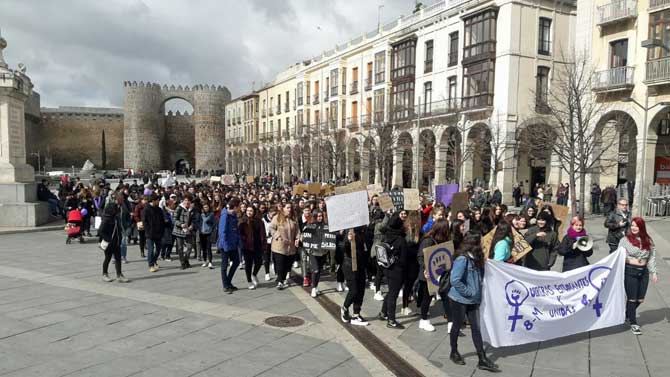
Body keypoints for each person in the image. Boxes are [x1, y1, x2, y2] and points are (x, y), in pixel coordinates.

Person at [447, 231, 499, 372]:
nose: (483, 245)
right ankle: (454, 352)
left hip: (473, 300)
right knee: (457, 326)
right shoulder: (462, 259)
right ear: (474, 244)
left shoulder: (476, 258)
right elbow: (455, 280)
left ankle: (481, 358)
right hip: (459, 299)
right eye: (480, 242)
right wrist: (469, 292)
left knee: (476, 328)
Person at [617, 217, 658, 335]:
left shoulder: (648, 240)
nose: (634, 228)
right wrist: (630, 260)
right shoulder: (625, 240)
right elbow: (619, 256)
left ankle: (626, 315)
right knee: (632, 298)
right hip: (630, 272)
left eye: (637, 226)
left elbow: (651, 257)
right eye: (632, 225)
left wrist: (653, 273)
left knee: (640, 299)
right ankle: (633, 323)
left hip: (643, 272)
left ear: (642, 227)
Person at [416, 218, 450, 332]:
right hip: (427, 275)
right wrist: (426, 269)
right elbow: (420, 256)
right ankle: (423, 320)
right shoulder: (428, 241)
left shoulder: (441, 240)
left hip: (438, 273)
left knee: (437, 296)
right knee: (427, 297)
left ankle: (449, 321)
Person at [377, 212, 407, 329]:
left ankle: (383, 312)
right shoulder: (401, 240)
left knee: (390, 292)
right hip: (397, 271)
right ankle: (391, 320)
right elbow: (404, 259)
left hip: (387, 268)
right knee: (393, 295)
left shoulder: (387, 235)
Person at [340, 227, 370, 326]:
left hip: (361, 265)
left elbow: (365, 248)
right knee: (354, 290)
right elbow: (344, 247)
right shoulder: (349, 231)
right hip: (350, 265)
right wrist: (348, 241)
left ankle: (356, 314)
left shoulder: (362, 232)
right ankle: (344, 308)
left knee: (361, 290)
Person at [98, 193, 130, 283]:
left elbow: (118, 228)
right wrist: (108, 239)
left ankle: (119, 275)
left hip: (117, 241)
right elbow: (100, 231)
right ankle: (104, 274)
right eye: (115, 210)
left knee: (118, 258)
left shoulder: (115, 218)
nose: (117, 211)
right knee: (107, 258)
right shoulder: (106, 220)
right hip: (109, 243)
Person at [270, 202, 300, 290]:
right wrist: (277, 236)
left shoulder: (294, 218)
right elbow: (271, 228)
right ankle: (280, 281)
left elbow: (297, 230)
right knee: (280, 264)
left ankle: (281, 278)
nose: (289, 209)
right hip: (279, 245)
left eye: (290, 208)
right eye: (287, 208)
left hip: (290, 247)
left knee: (287, 264)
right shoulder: (277, 217)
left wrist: (298, 238)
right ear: (283, 208)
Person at [239, 205, 266, 289]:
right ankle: (249, 281)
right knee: (248, 264)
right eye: (247, 211)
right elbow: (240, 234)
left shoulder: (259, 221)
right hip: (247, 246)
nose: (249, 212)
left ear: (254, 212)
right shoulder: (242, 221)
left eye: (251, 211)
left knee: (259, 262)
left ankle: (254, 274)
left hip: (257, 245)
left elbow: (263, 233)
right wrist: (244, 240)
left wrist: (263, 244)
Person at [218, 198, 242, 293]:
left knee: (236, 262)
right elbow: (222, 231)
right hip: (226, 245)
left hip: (233, 244)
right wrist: (224, 245)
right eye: (239, 206)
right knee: (224, 265)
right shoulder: (225, 216)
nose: (240, 208)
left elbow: (236, 230)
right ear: (235, 207)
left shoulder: (234, 215)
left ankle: (228, 282)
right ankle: (225, 285)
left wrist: (239, 241)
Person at [142, 194, 165, 273]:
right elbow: (144, 222)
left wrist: (163, 228)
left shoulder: (159, 209)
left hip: (159, 233)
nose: (158, 202)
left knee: (158, 249)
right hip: (150, 233)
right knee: (151, 250)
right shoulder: (146, 209)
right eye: (157, 200)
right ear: (153, 201)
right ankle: (151, 265)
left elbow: (162, 220)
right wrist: (148, 231)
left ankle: (154, 261)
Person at [309, 210, 328, 297]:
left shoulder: (325, 226)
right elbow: (306, 237)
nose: (320, 218)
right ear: (315, 216)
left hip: (323, 252)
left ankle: (316, 286)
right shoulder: (311, 226)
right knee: (315, 270)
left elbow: (330, 236)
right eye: (318, 216)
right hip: (313, 252)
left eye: (321, 216)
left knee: (319, 271)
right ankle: (313, 288)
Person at [172, 195, 194, 270]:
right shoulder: (179, 208)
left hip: (188, 231)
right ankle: (182, 263)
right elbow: (174, 219)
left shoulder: (192, 209)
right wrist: (181, 224)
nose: (187, 202)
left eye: (188, 200)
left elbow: (195, 219)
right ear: (183, 201)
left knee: (190, 247)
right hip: (179, 231)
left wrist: (192, 225)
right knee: (180, 248)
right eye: (185, 200)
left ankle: (185, 260)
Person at [200, 202, 216, 269]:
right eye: (204, 207)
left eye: (206, 207)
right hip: (202, 233)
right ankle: (205, 261)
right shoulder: (201, 215)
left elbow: (206, 220)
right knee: (203, 248)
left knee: (208, 248)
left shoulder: (211, 214)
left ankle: (210, 262)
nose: (205, 208)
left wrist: (211, 229)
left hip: (209, 233)